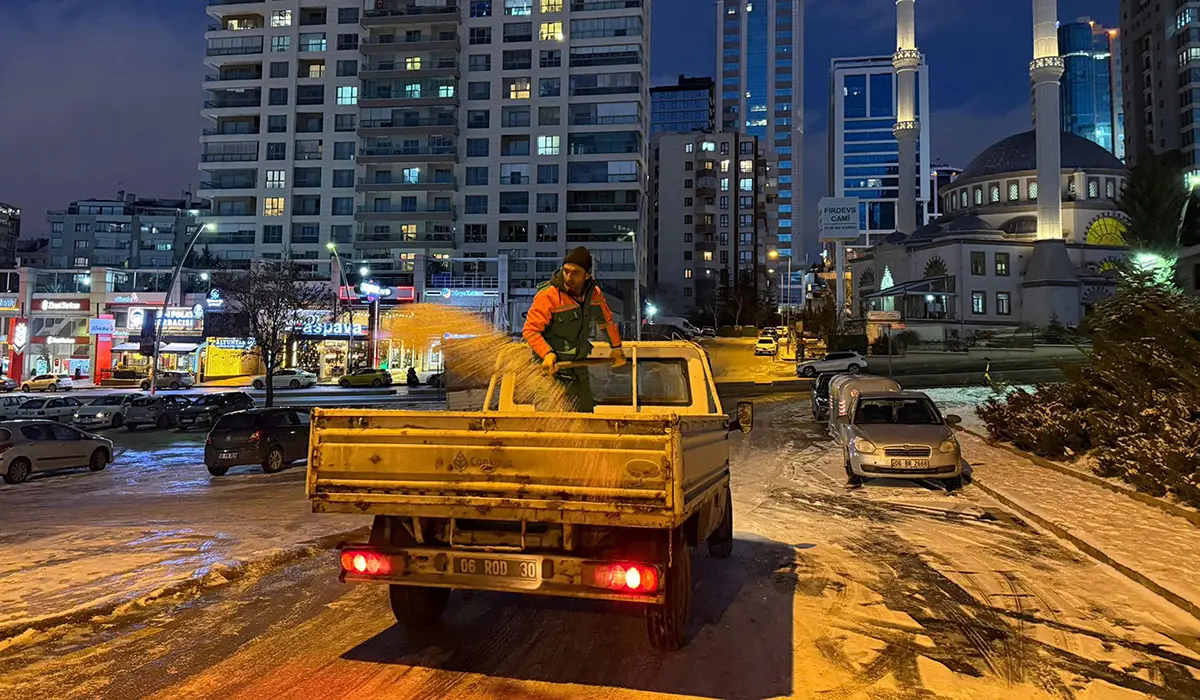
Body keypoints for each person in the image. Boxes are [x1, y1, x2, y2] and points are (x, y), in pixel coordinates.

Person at [523, 246, 625, 412]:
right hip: (550, 372)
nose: (568, 277)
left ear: (587, 275)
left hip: (577, 369)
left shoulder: (594, 295)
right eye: (566, 271)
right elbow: (530, 330)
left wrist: (616, 348)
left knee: (584, 417)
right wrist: (547, 354)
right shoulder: (548, 296)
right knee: (552, 423)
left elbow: (606, 322)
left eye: (575, 272)